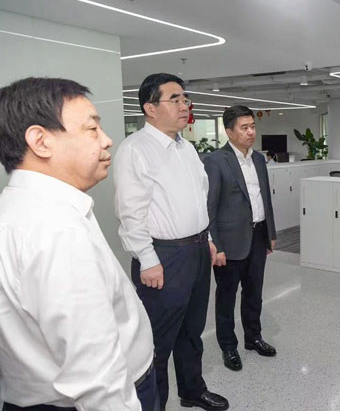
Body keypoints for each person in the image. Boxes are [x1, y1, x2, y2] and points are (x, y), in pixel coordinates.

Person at [0, 77, 158, 410]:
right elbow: (97, 377)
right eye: (92, 129)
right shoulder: (56, 229)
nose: (107, 140)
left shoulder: (16, 208)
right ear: (41, 141)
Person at [114, 73, 228, 411]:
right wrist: (147, 259)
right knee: (158, 340)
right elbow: (130, 212)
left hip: (196, 250)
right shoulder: (135, 150)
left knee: (192, 329)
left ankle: (192, 390)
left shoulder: (186, 147)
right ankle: (154, 405)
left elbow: (200, 199)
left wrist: (207, 238)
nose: (184, 106)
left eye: (184, 99)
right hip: (164, 256)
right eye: (174, 99)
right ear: (150, 108)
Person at [204, 104, 278, 372]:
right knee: (226, 296)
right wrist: (216, 244)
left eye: (253, 126)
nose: (251, 132)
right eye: (244, 127)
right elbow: (209, 207)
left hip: (258, 235)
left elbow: (264, 198)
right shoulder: (216, 161)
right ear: (229, 131)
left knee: (254, 292)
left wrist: (270, 233)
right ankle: (228, 345)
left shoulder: (258, 159)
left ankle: (253, 337)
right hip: (229, 241)